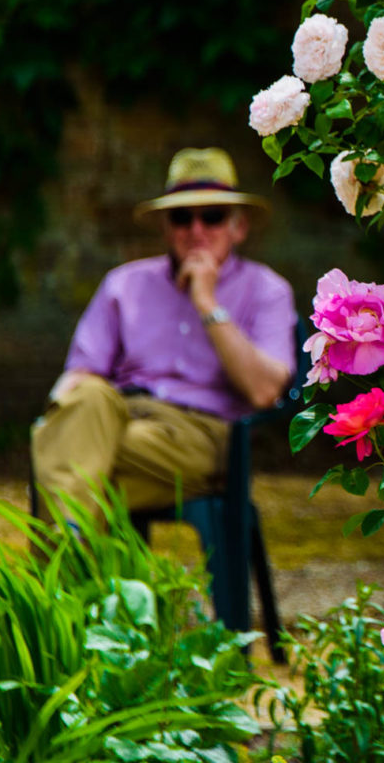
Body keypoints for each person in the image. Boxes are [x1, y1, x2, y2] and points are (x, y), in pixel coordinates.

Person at [32, 147, 297, 518]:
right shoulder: (124, 284)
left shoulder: (267, 289)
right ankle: (77, 544)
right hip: (118, 414)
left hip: (204, 432)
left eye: (213, 217)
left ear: (239, 227)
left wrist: (207, 303)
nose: (196, 231)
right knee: (87, 409)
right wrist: (59, 411)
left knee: (65, 457)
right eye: (181, 218)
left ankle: (60, 567)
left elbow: (265, 390)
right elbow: (82, 372)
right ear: (165, 226)